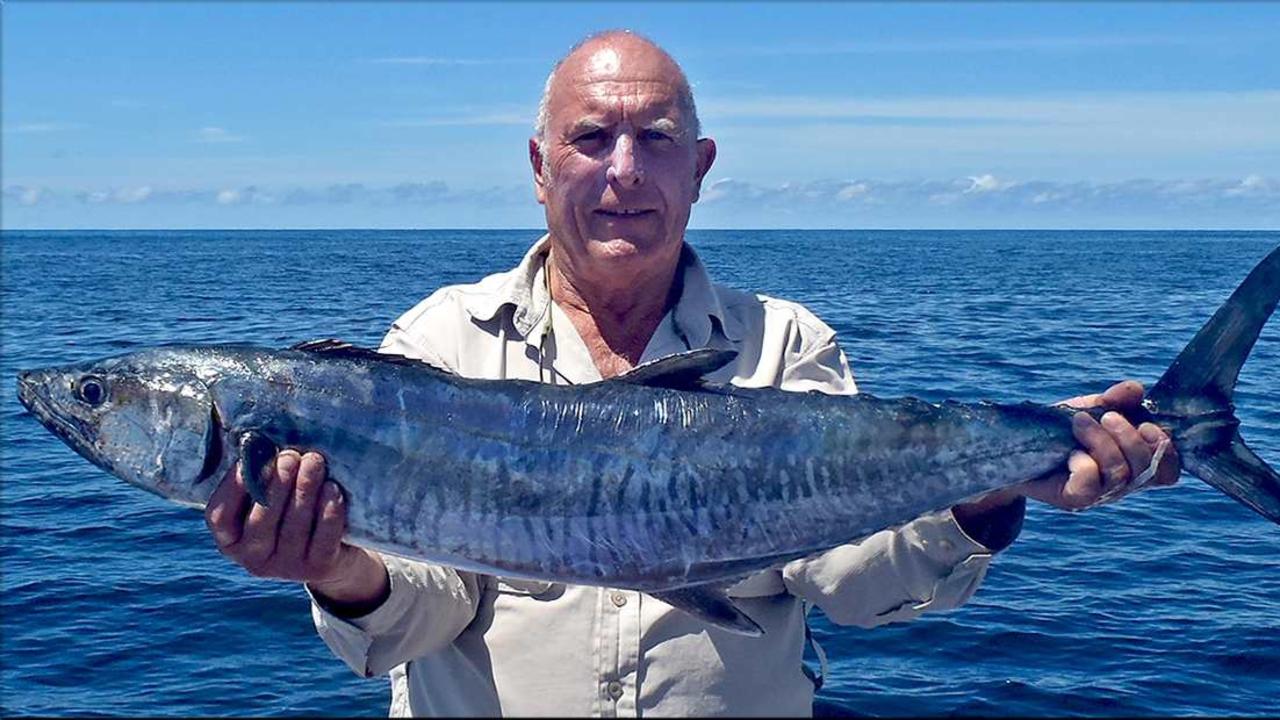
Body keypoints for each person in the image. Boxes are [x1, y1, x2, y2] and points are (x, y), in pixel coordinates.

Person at [203, 30, 1181, 716]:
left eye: (653, 141)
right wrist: (332, 567)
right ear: (540, 166)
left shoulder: (785, 347)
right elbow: (421, 615)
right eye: (590, 140)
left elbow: (846, 583)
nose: (622, 171)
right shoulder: (434, 345)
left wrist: (986, 491)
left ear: (700, 167)